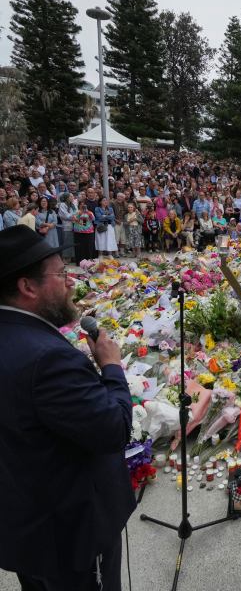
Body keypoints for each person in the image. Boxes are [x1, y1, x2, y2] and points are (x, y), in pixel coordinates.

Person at [0, 225, 135, 590]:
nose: (71, 282)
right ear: (28, 287)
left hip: (26, 526)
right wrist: (111, 366)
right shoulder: (47, 359)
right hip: (71, 535)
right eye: (61, 274)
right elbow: (114, 429)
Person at [58, 193, 77, 263]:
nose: (72, 197)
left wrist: (74, 216)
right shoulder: (62, 204)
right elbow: (65, 215)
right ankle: (65, 258)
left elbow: (76, 213)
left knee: (72, 242)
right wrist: (73, 216)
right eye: (71, 196)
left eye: (73, 196)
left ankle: (72, 257)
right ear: (66, 197)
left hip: (74, 225)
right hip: (66, 226)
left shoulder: (73, 205)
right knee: (67, 242)